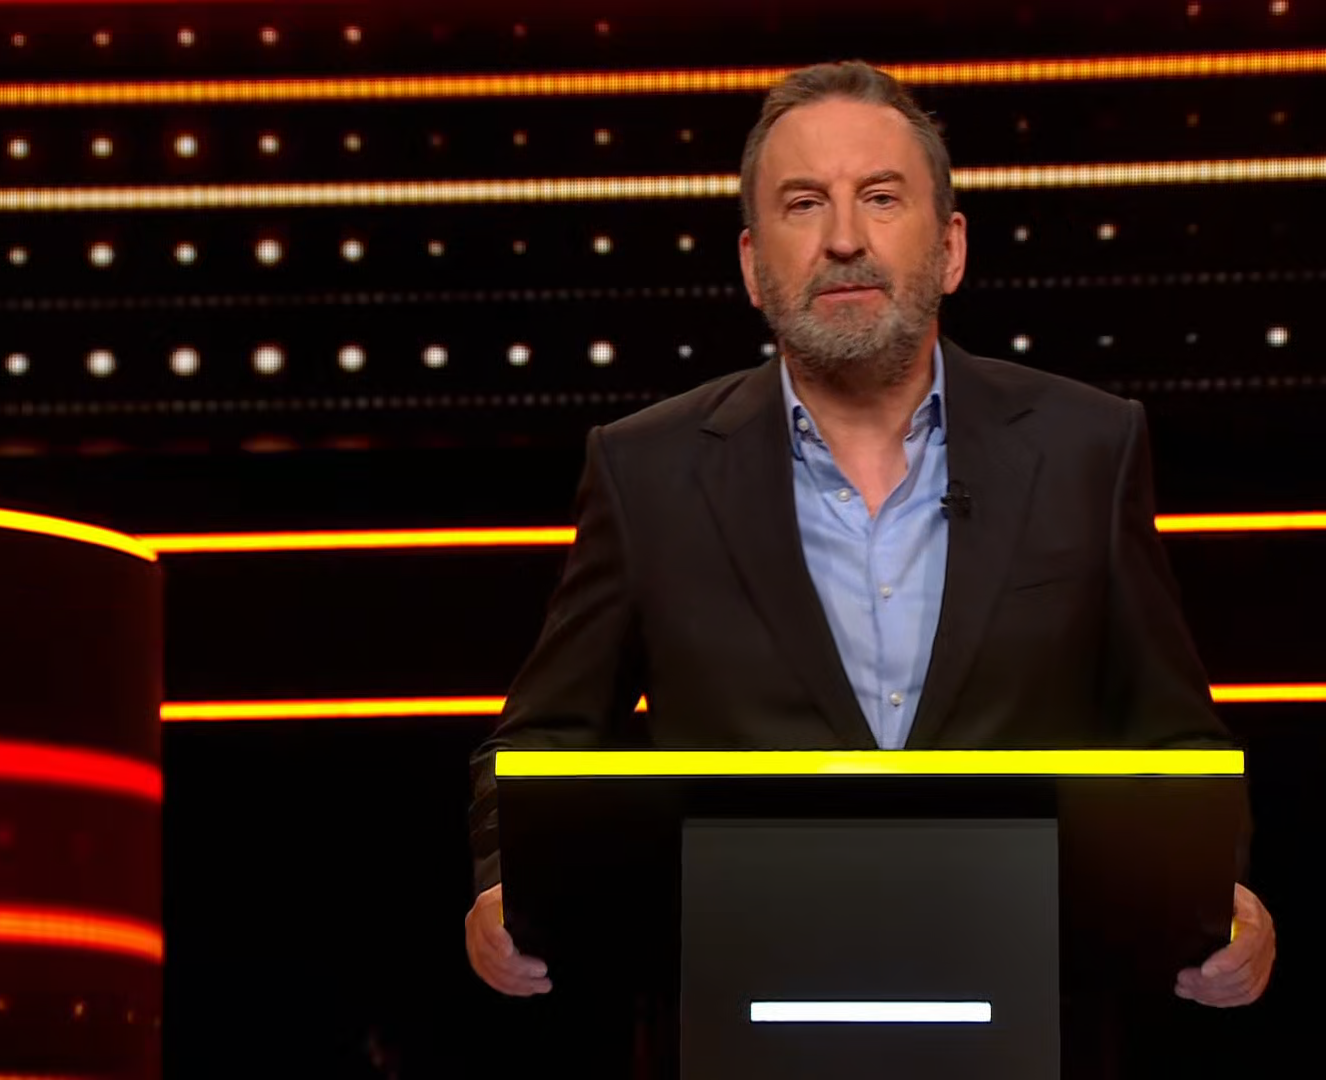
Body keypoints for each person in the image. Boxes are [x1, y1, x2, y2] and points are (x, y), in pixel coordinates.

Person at [466, 59, 1275, 1017]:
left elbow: (1177, 741)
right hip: (747, 1008)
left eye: (881, 198)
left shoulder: (1086, 447)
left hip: (1020, 1007)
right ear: (751, 265)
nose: (844, 238)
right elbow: (542, 743)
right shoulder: (647, 470)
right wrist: (504, 882)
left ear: (952, 247)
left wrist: (1223, 896)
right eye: (804, 203)